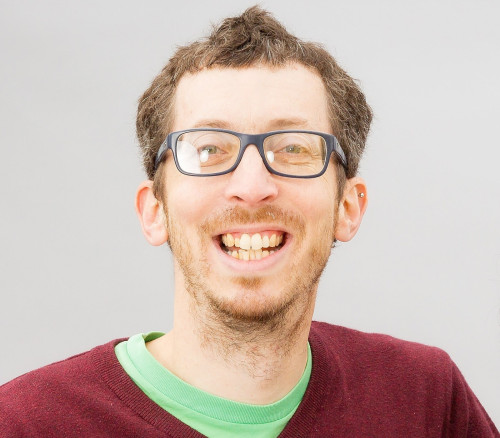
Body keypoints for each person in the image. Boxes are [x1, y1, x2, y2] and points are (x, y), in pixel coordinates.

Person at [0, 6, 498, 438]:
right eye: (209, 149)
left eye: (294, 148)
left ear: (348, 207)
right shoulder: (23, 424)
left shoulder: (425, 401)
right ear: (155, 211)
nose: (253, 186)